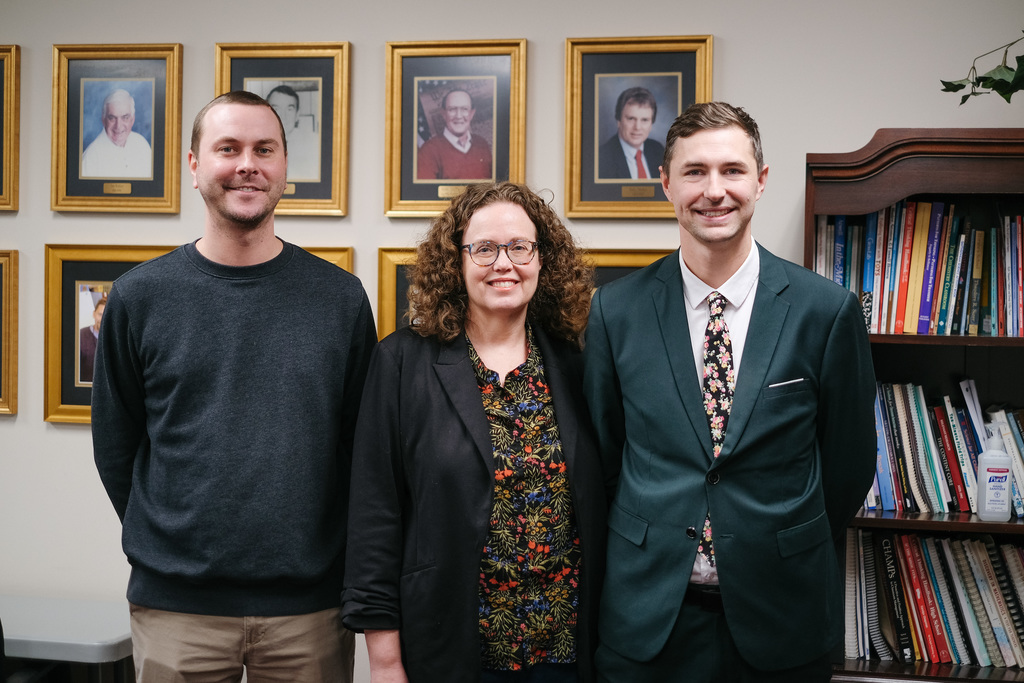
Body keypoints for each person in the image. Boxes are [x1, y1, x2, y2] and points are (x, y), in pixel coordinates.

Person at [583, 102, 876, 682]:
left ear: (761, 181)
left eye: (732, 171)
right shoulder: (615, 311)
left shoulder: (826, 311)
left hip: (780, 620)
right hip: (648, 624)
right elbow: (605, 455)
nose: (714, 191)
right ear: (665, 183)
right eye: (694, 172)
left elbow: (845, 467)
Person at [91, 90, 376, 682]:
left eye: (263, 149)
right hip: (177, 609)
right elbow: (116, 447)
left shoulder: (339, 298)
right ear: (195, 166)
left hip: (310, 608)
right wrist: (175, 539)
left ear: (284, 170)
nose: (248, 163)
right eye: (228, 148)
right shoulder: (139, 298)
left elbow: (362, 447)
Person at [342, 182, 610, 682]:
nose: (503, 263)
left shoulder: (580, 362)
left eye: (520, 247)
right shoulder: (401, 362)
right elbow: (374, 516)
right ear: (456, 261)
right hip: (450, 647)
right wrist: (384, 660)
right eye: (483, 248)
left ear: (542, 259)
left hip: (568, 651)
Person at [416, 89, 493, 181]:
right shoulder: (428, 151)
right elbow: (425, 193)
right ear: (443, 114)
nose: (459, 116)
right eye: (452, 109)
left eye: (464, 109)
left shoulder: (481, 143)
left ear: (471, 113)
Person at [81, 88, 153, 179]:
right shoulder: (90, 159)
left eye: (125, 117)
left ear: (132, 119)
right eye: (112, 118)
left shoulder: (142, 144)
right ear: (103, 120)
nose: (118, 126)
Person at [597, 87, 665, 180]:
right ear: (619, 120)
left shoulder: (658, 151)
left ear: (651, 124)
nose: (637, 127)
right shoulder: (601, 159)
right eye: (631, 119)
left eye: (644, 120)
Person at [266, 84, 321, 182]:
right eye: (276, 109)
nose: (283, 116)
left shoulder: (315, 144)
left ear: (297, 114)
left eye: (289, 109)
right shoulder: (254, 144)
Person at [78, 294, 106, 383]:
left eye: (106, 315)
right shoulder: (81, 335)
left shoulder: (115, 338)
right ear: (94, 314)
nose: (102, 319)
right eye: (100, 314)